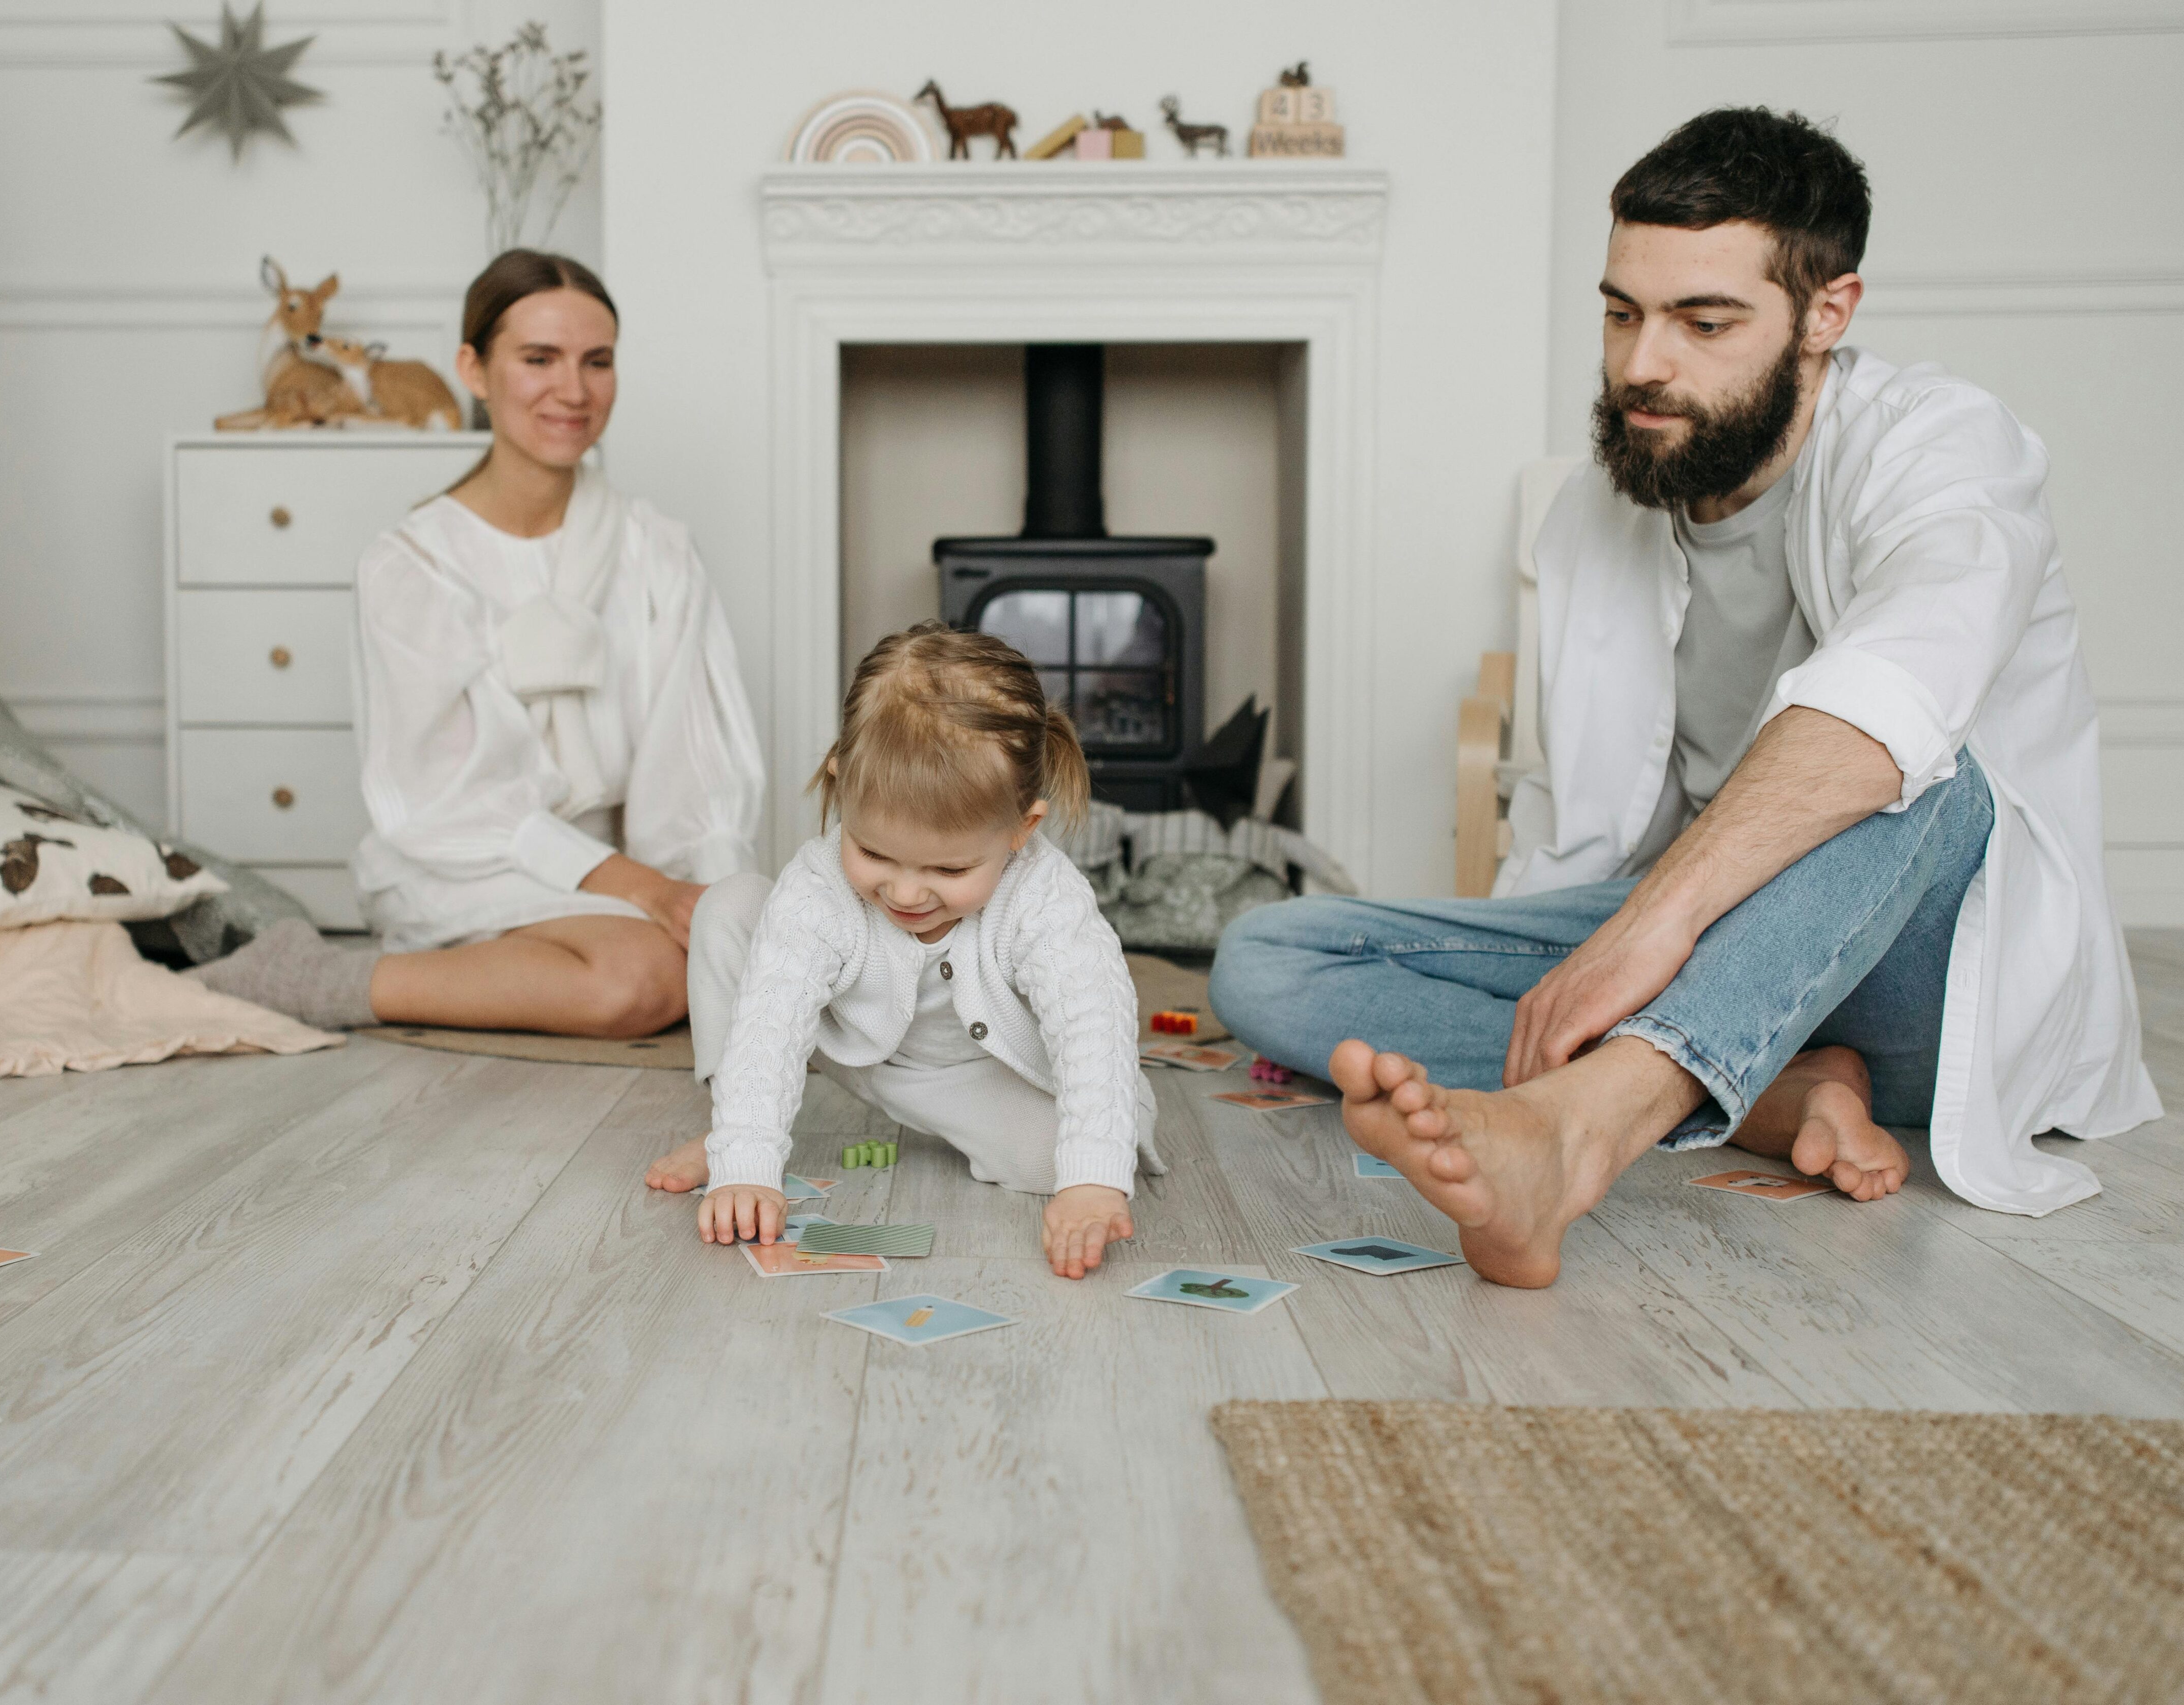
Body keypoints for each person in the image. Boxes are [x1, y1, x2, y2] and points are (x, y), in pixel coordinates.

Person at [1209, 108, 2158, 1288]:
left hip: (1926, 974)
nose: (1641, 363)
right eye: (1621, 313)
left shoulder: (1944, 448)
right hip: (1716, 941)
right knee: (1269, 957)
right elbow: (1589, 816)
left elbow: (1896, 699)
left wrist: (1651, 923)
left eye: (1702, 322)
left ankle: (1583, 1126)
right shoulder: (1599, 511)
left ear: (1827, 314)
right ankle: (1764, 1088)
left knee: (1923, 770)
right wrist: (1628, 922)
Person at [192, 250, 765, 1035]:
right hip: (468, 858)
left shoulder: (657, 550)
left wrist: (710, 900)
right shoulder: (411, 566)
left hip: (626, 877)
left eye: (597, 362)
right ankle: (325, 976)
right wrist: (644, 894)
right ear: (473, 367)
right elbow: (448, 804)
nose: (574, 390)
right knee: (640, 981)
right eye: (539, 359)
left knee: (754, 947)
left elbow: (694, 765)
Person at [646, 623, 1164, 1280]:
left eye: (947, 871)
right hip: (848, 1041)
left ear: (1021, 828)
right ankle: (730, 1126)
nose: (905, 890)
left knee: (1059, 1163)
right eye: (872, 852)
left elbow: (1092, 1025)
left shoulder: (1046, 898)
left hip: (969, 1080)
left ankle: (1093, 1150)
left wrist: (1092, 1179)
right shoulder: (818, 884)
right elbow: (772, 1016)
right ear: (841, 786)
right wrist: (745, 1165)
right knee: (730, 906)